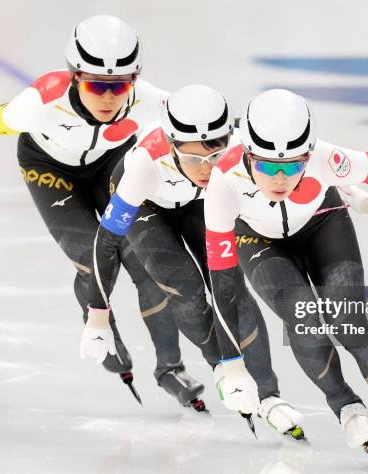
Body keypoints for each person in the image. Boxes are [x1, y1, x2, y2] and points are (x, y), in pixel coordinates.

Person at [204, 89, 368, 465]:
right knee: (302, 316)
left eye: (291, 166)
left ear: (308, 155)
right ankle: (345, 405)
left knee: (350, 321)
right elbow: (223, 284)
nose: (279, 176)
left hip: (324, 223)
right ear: (247, 155)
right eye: (266, 165)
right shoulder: (223, 181)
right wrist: (233, 364)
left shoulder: (330, 160)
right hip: (256, 238)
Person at [0, 14, 199, 403]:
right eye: (96, 84)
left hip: (109, 162)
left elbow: (202, 128)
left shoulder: (148, 99)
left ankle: (171, 368)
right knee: (94, 257)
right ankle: (100, 326)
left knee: (146, 262)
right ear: (74, 76)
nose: (108, 96)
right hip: (48, 168)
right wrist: (1, 115)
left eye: (120, 86)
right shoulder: (39, 101)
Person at [81, 84, 305, 436]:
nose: (204, 169)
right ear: (171, 144)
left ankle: (269, 395)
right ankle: (222, 368)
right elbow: (106, 242)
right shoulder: (144, 165)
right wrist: (97, 317)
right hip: (148, 205)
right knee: (184, 284)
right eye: (192, 158)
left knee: (233, 289)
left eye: (213, 158)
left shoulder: (244, 146)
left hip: (199, 203)